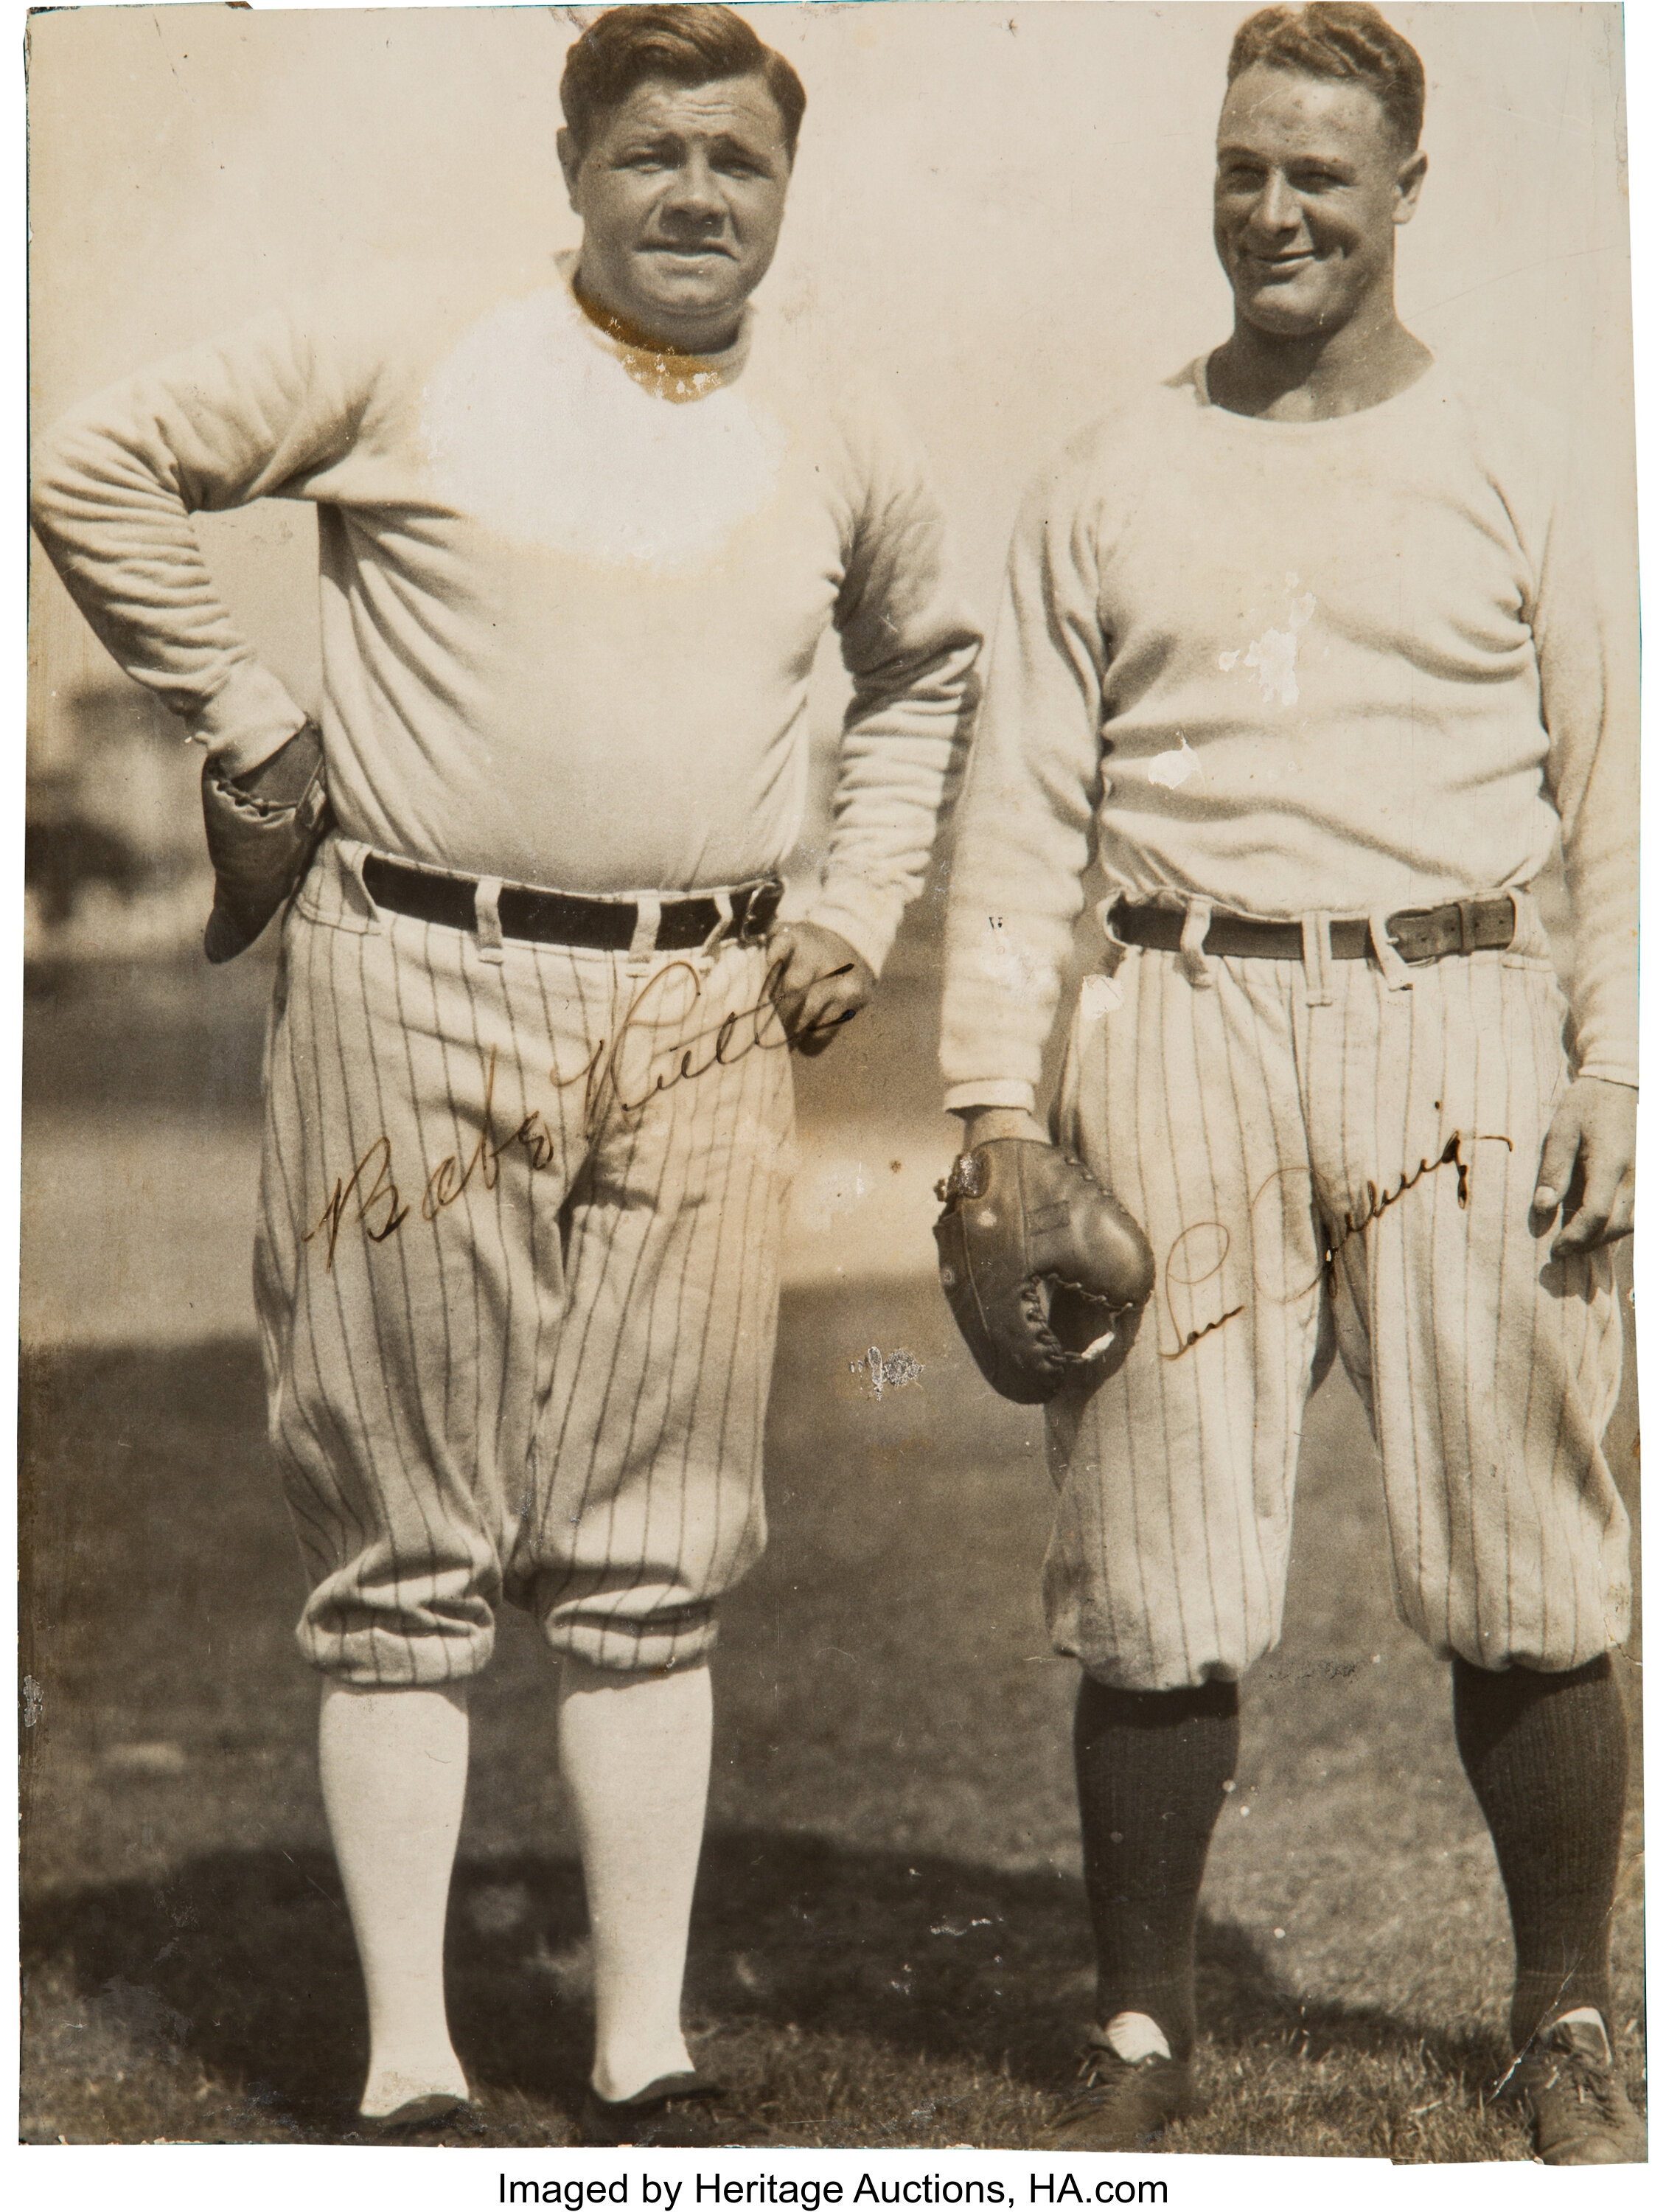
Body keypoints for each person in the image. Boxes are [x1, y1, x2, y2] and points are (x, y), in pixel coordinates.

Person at [32, 4, 980, 2146]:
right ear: (572, 166)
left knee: (657, 1536)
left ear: (782, 187)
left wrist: (848, 904)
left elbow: (927, 667)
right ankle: (406, 2067)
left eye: (736, 161)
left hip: (702, 1006)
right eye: (651, 154)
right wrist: (252, 719)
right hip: (415, 976)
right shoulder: (416, 343)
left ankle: (641, 2048)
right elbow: (91, 461)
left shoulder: (834, 415)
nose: (695, 195)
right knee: (403, 1532)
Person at [938, 1, 1639, 2163]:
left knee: (1523, 1548)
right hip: (1182, 1020)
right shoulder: (1104, 472)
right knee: (1151, 1561)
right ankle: (1138, 2029)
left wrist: (1622, 1059)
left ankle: (1561, 2011)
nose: (1273, 211)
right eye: (1243, 169)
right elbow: (1017, 815)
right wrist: (987, 1104)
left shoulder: (1518, 456)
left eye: (1318, 175)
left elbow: (1619, 794)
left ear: (1402, 191)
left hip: (1455, 1023)